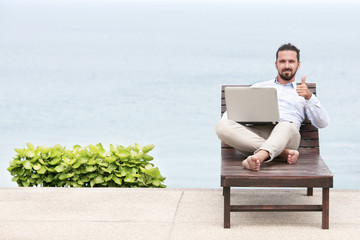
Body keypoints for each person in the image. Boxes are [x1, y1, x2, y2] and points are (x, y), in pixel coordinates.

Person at [215, 43, 329, 171]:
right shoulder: (260, 86)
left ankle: (258, 156)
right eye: (282, 61)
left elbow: (323, 123)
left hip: (287, 135)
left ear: (298, 64)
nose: (286, 66)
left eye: (291, 61)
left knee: (286, 125)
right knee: (221, 126)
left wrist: (309, 97)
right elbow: (231, 114)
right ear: (276, 64)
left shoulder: (303, 92)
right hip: (257, 133)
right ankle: (281, 153)